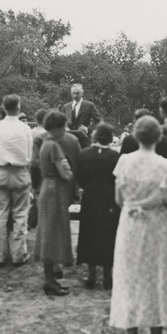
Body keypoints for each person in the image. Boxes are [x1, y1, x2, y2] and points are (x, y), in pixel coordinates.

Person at [110, 116, 167, 334]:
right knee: (158, 280)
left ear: (136, 136)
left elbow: (119, 198)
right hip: (158, 226)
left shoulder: (124, 162)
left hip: (130, 224)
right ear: (158, 136)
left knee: (130, 280)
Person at [0, 94, 33, 267]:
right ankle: (18, 254)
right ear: (18, 107)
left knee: (0, 213)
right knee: (20, 214)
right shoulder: (24, 128)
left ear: (4, 108)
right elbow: (29, 154)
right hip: (19, 171)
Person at [33, 111, 75, 296]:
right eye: (63, 127)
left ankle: (50, 278)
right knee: (53, 232)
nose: (64, 131)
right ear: (57, 128)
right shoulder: (55, 146)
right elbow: (65, 173)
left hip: (47, 187)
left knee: (49, 231)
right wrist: (71, 173)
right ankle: (49, 281)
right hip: (55, 190)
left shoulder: (45, 144)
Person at [76, 123, 121, 290]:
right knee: (108, 234)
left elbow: (80, 178)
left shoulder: (84, 154)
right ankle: (108, 276)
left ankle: (92, 275)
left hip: (90, 196)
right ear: (110, 138)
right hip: (109, 198)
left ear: (94, 136)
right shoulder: (115, 157)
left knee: (89, 233)